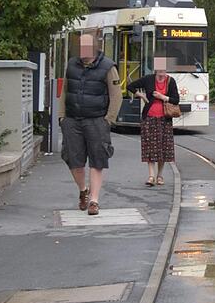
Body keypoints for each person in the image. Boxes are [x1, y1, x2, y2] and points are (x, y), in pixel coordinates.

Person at [57, 34, 122, 216]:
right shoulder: (72, 64)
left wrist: (109, 119)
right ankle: (83, 190)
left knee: (97, 160)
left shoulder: (108, 67)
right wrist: (62, 117)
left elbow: (116, 95)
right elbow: (64, 91)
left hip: (97, 120)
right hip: (72, 120)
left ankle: (94, 200)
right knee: (73, 160)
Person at [129, 56, 180, 186]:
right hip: (149, 117)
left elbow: (176, 100)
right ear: (155, 69)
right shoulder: (148, 79)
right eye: (159, 69)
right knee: (150, 147)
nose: (162, 71)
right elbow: (131, 86)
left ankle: (160, 175)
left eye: (164, 69)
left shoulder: (171, 81)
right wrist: (141, 95)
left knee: (163, 147)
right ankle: (151, 176)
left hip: (164, 119)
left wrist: (163, 97)